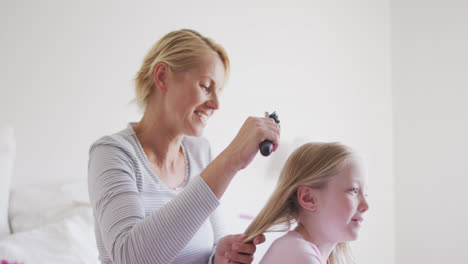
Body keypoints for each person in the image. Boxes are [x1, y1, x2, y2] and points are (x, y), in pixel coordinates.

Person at [87, 29, 280, 264]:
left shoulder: (199, 152)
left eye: (218, 91)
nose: (216, 104)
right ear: (162, 77)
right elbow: (131, 257)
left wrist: (219, 256)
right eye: (205, 86)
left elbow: (210, 249)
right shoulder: (112, 153)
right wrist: (231, 159)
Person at [243, 142, 369, 264]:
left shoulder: (305, 252)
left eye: (366, 194)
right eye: (353, 190)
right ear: (308, 198)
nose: (366, 206)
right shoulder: (297, 253)